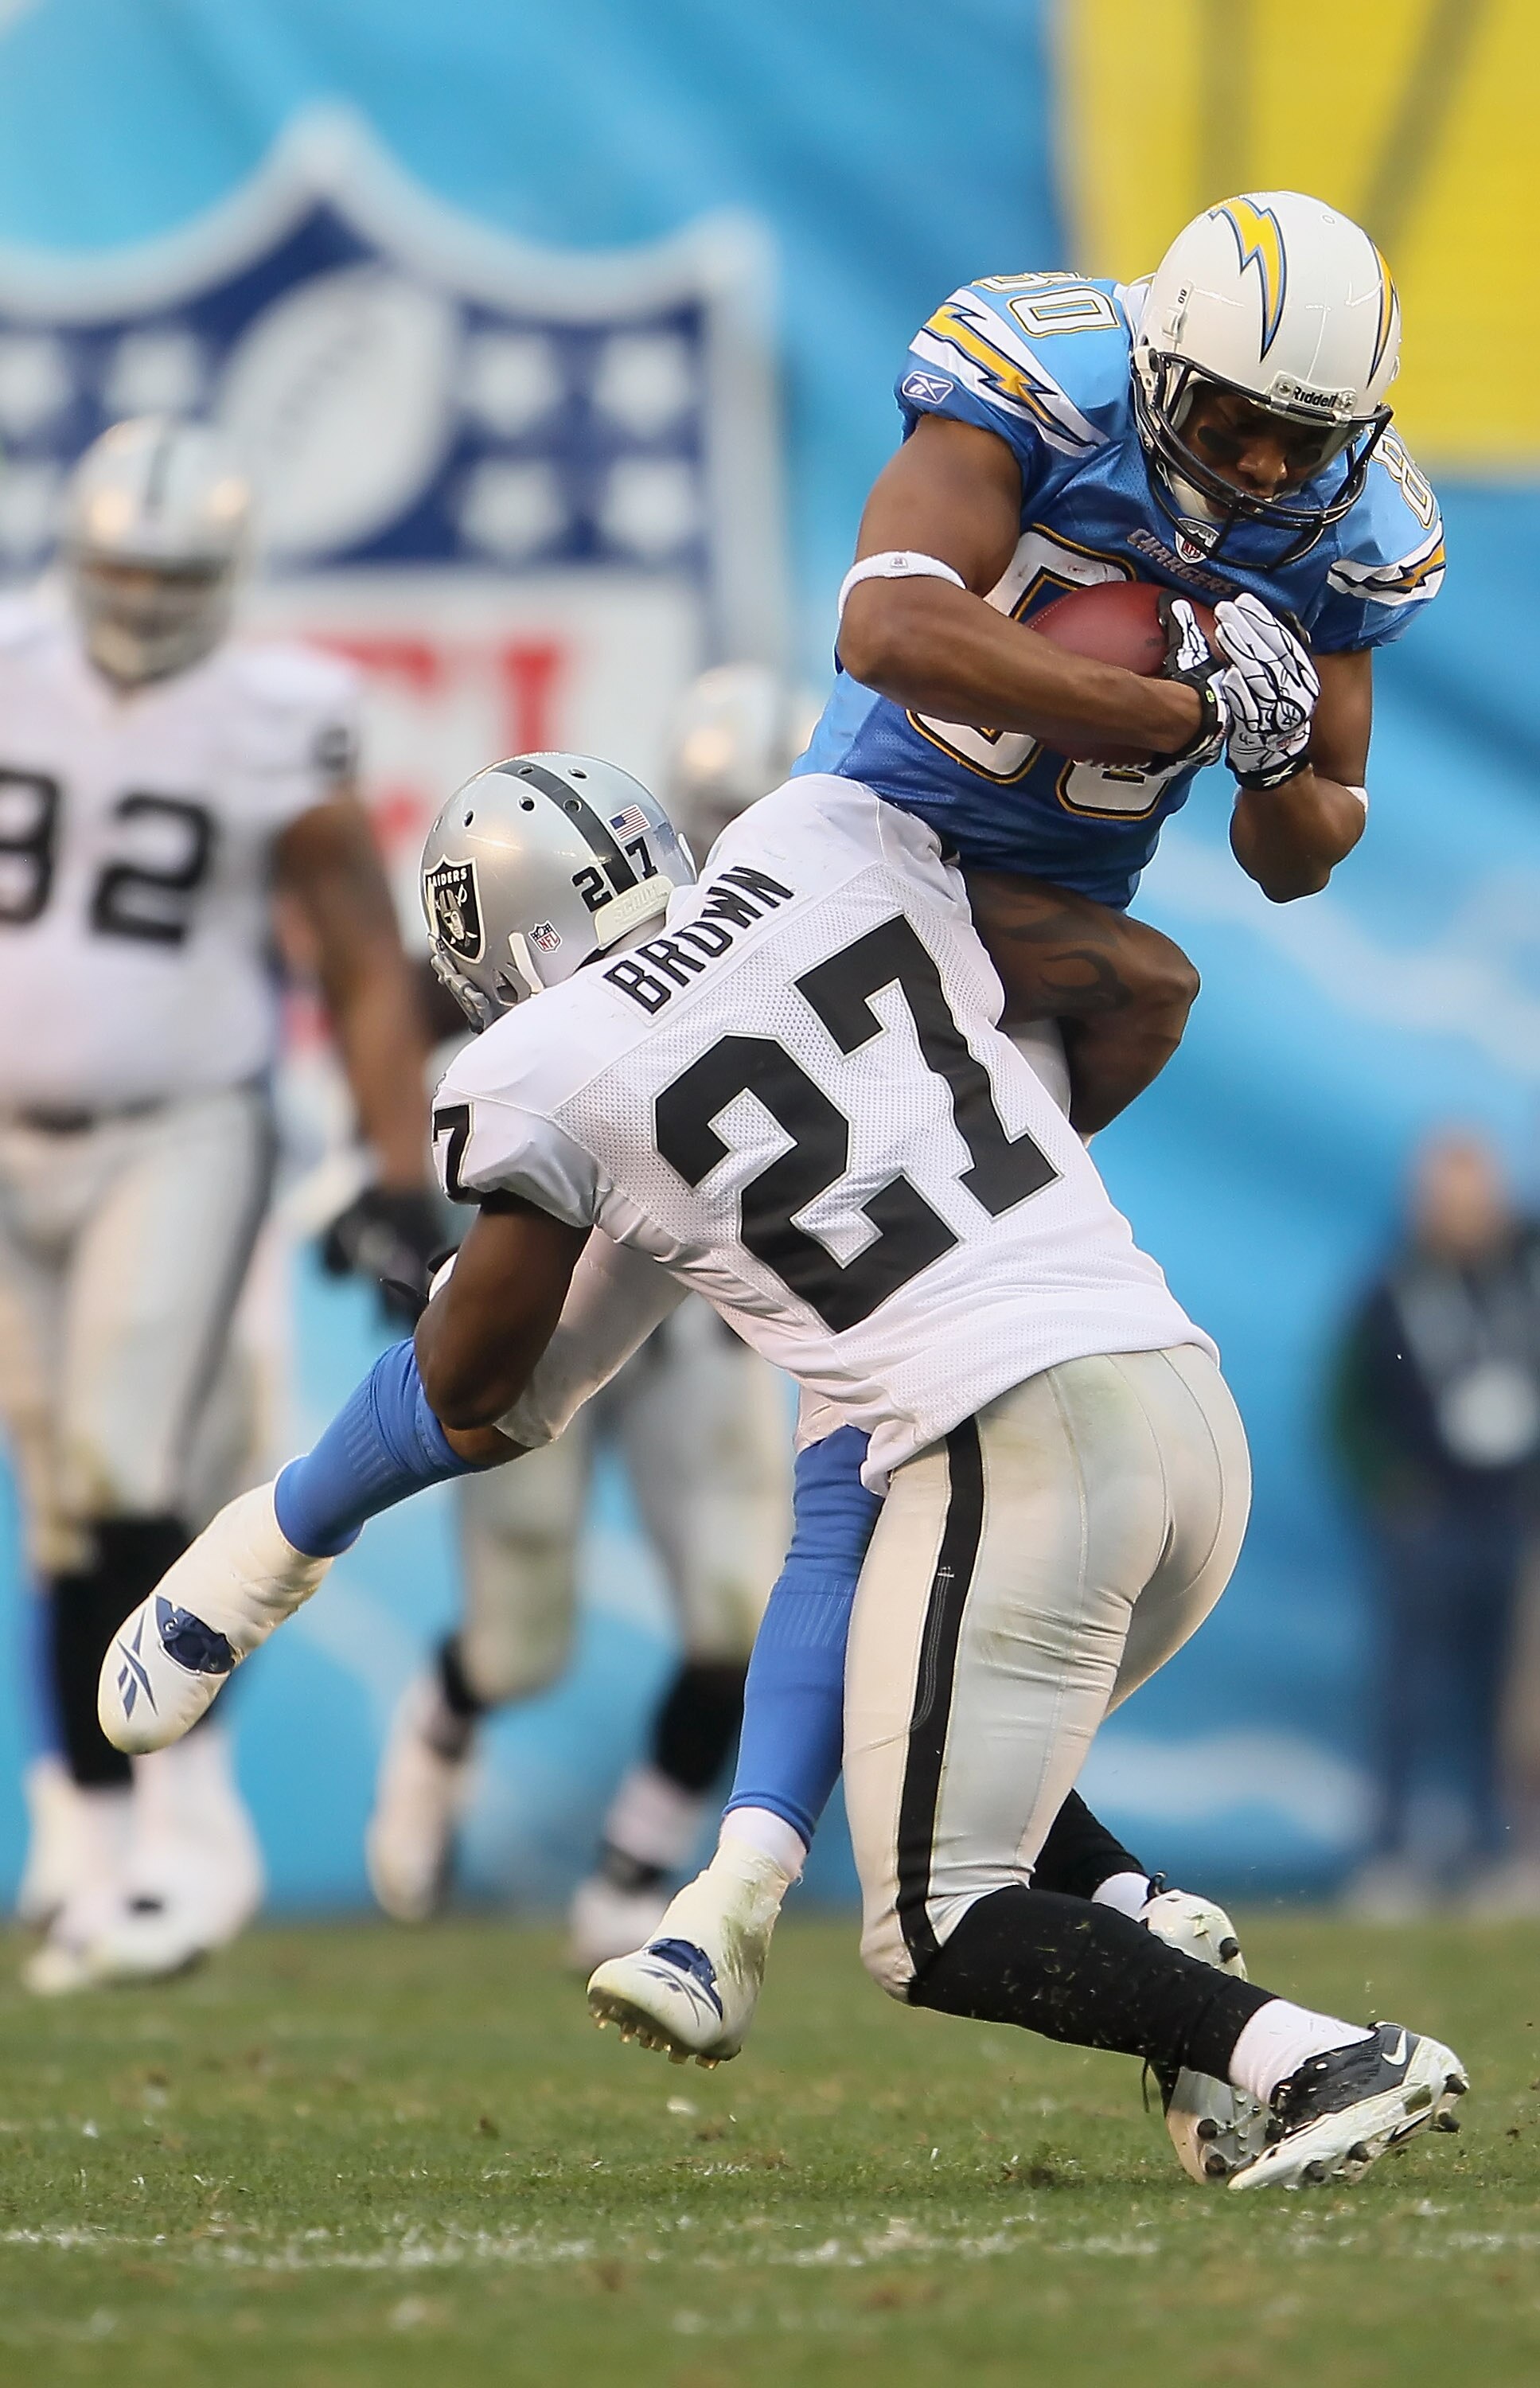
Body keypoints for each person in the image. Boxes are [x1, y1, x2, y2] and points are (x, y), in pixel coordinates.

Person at [102, 754, 1466, 2194]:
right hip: (1177, 1400)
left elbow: (475, 1387)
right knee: (917, 1739)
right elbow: (1145, 977)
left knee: (933, 1916)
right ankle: (1150, 1932)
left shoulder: (552, 1061)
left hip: (1021, 1442)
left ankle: (1311, 2057)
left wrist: (266, 1544)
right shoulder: (820, 839)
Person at [0, 415, 441, 1993]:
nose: (140, 599)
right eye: (121, 567)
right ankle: (91, 1837)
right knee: (64, 1493)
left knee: (127, 1463)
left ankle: (156, 1835)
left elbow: (357, 946)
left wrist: (401, 1176)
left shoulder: (278, 714)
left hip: (184, 1121)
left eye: (170, 573)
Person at [365, 670, 815, 1964]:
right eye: (723, 810)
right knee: (521, 1646)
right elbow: (414, 1008)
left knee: (739, 1610)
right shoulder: (589, 909)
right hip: (559, 1291)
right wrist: (386, 1187)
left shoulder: (838, 916)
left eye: (763, 811)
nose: (740, 838)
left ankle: (630, 1872)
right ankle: (447, 1721)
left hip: (705, 1316)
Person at [1331, 1131, 1540, 1914]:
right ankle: (1390, 1854)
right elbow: (1346, 1407)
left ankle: (1496, 1851)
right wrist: (1389, 1485)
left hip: (1507, 1513)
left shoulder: (1521, 1277)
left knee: (1504, 1693)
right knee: (1408, 1688)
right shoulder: (1391, 1287)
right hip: (1427, 1517)